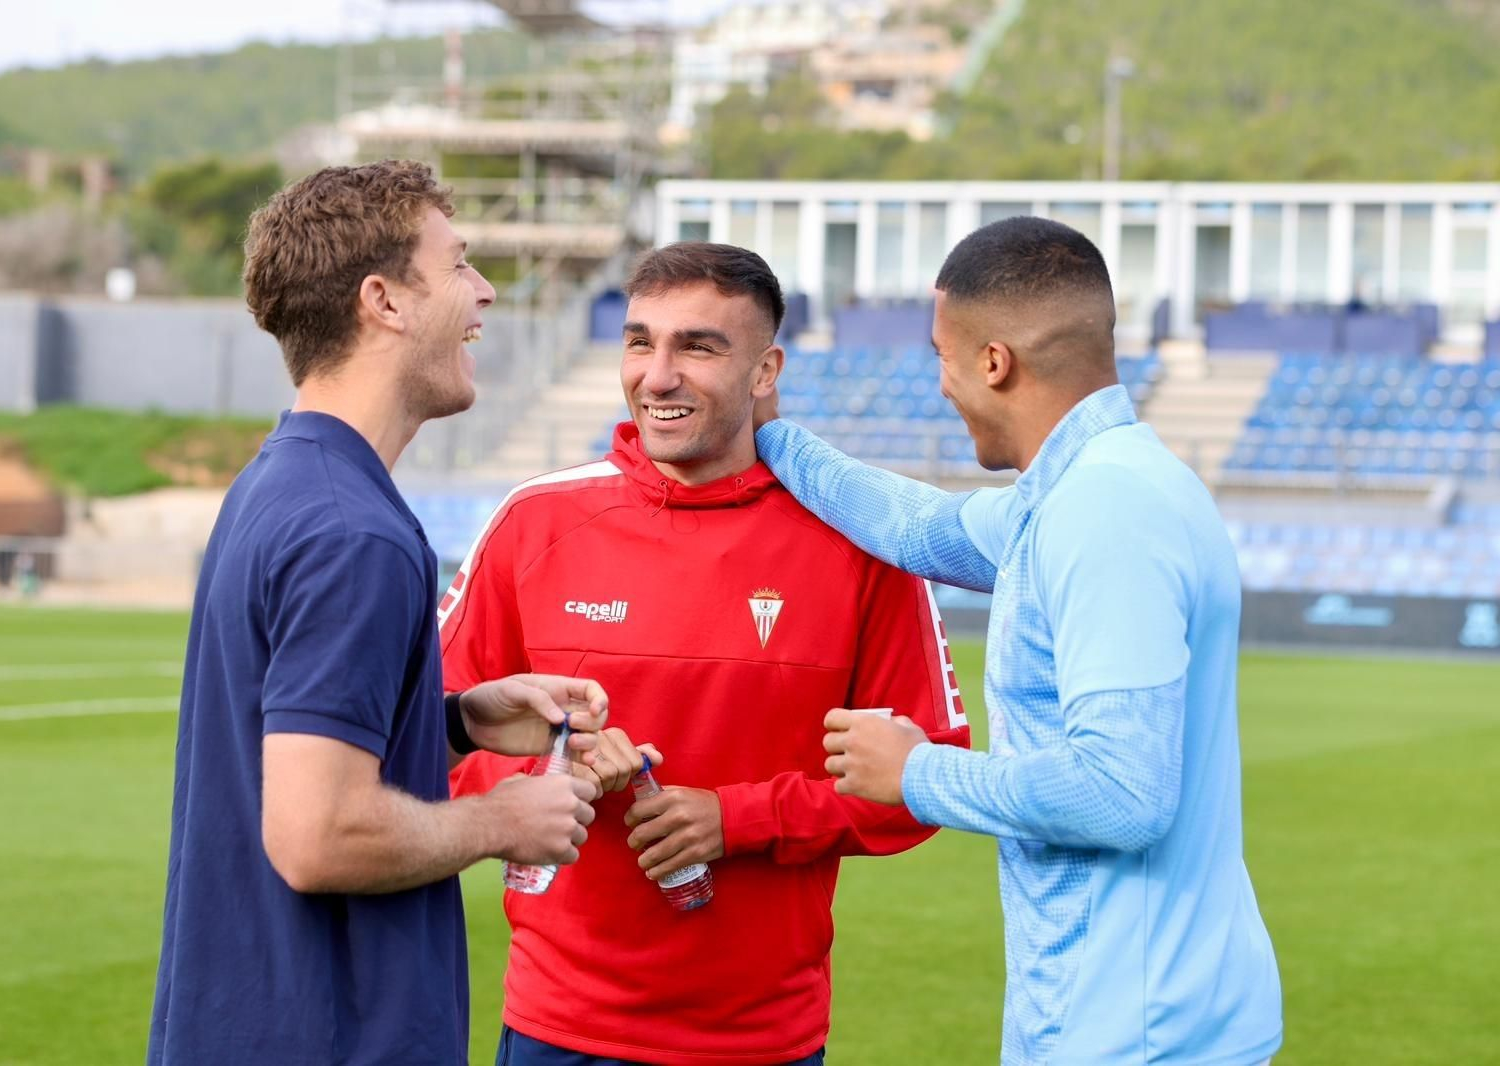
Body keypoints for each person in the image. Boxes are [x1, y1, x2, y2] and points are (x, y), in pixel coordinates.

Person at [755, 216, 1283, 1065]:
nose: (941, 385)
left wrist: (915, 771)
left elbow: (1123, 792)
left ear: (993, 362)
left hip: (1132, 1031)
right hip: (1157, 1014)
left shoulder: (1107, 511)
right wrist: (772, 436)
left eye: (942, 356)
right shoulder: (1103, 486)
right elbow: (923, 528)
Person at [438, 242, 973, 1065]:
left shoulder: (861, 547)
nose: (658, 375)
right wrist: (552, 779)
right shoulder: (532, 524)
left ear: (766, 372)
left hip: (762, 1039)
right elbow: (423, 735)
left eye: (698, 346)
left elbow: (926, 779)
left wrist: (739, 819)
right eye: (640, 341)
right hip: (560, 1025)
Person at [147, 160, 605, 1065]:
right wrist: (504, 822)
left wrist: (456, 726)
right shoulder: (354, 531)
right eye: (460, 263)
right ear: (384, 301)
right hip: (324, 1037)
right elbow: (317, 835)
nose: (485, 290)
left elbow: (297, 759)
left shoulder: (283, 483)